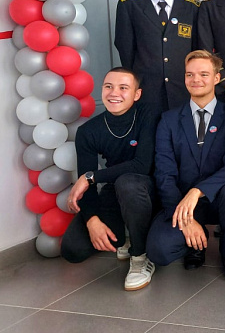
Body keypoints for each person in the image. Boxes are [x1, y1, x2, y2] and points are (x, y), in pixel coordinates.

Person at [146, 50, 225, 283]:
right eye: (189, 74)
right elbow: (164, 173)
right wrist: (186, 220)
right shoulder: (169, 120)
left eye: (203, 74)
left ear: (217, 78)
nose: (195, 80)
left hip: (219, 199)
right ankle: (195, 245)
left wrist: (198, 191)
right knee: (158, 251)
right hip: (182, 202)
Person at [61, 68, 158, 291]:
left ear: (137, 94)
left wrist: (92, 177)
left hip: (149, 191)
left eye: (123, 88)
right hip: (115, 190)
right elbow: (86, 185)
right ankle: (127, 236)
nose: (114, 93)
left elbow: (142, 165)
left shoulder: (148, 115)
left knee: (128, 182)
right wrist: (92, 220)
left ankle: (140, 256)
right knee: (73, 250)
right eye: (108, 87)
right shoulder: (88, 131)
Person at [114, 0, 199, 112]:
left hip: (183, 91)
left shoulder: (192, 7)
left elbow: (197, 50)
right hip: (146, 92)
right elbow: (125, 49)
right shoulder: (129, 5)